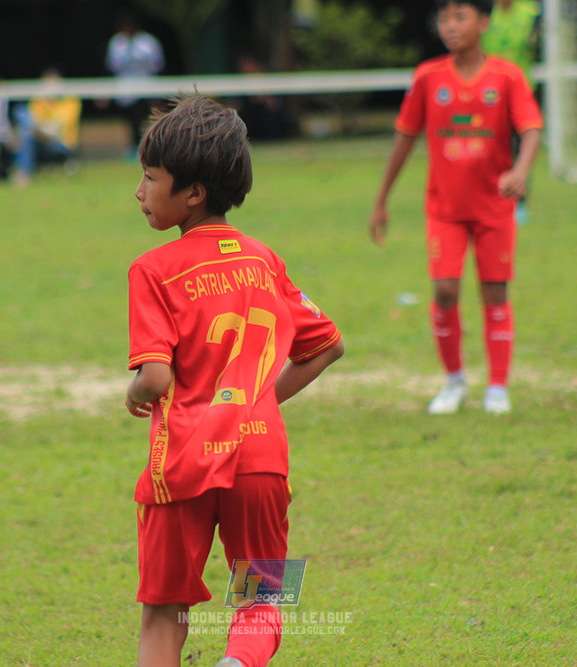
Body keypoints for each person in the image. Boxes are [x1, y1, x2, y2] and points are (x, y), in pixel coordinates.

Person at [125, 96, 343, 667]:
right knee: (262, 597)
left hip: (182, 461)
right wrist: (258, 400)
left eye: (150, 178)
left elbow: (154, 378)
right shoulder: (265, 260)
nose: (140, 191)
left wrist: (132, 393)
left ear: (192, 193)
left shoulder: (152, 269)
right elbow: (328, 345)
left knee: (163, 613)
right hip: (261, 456)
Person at [368, 0, 542, 416]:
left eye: (460, 16)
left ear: (483, 22)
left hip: (494, 208)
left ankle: (497, 387)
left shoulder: (507, 75)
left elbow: (532, 129)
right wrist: (381, 199)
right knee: (445, 291)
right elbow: (405, 137)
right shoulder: (428, 77)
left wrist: (520, 170)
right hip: (444, 208)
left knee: (494, 292)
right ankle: (454, 380)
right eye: (443, 18)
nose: (450, 26)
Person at [481, 0, 541, 224]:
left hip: (522, 91)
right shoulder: (485, 14)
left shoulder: (530, 12)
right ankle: (490, 199)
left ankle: (520, 203)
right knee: (489, 148)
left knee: (521, 147)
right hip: (490, 94)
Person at [105, 9, 164, 158]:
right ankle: (134, 148)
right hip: (125, 91)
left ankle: (150, 147)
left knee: (147, 119)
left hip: (145, 89)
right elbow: (111, 68)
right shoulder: (116, 44)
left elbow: (157, 67)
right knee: (131, 121)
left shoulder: (148, 43)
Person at [13, 67, 81, 185]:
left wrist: (41, 129)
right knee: (25, 134)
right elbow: (32, 125)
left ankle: (23, 174)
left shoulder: (70, 101)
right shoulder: (38, 101)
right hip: (40, 141)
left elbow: (60, 130)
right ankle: (22, 174)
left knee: (28, 136)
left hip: (62, 144)